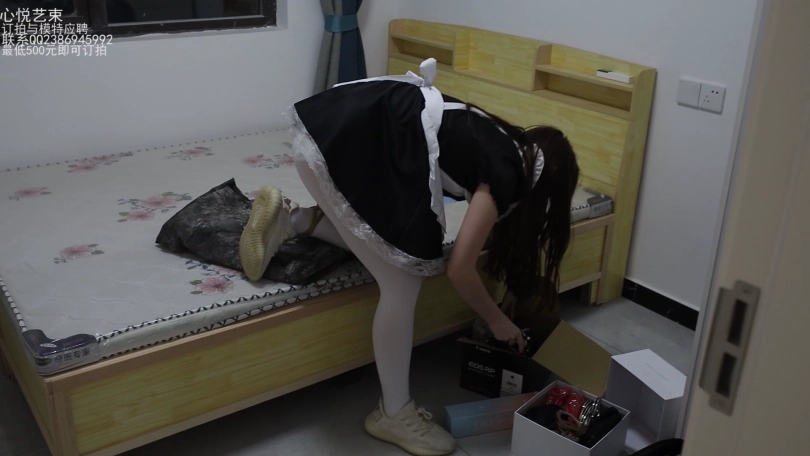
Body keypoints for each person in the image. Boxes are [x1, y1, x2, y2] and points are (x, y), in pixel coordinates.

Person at [238, 58, 580, 456]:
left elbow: (477, 232)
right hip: (343, 150)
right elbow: (460, 269)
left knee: (397, 250)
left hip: (331, 134)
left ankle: (298, 220)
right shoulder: (511, 172)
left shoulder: (502, 138)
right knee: (403, 279)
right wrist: (496, 320)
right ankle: (393, 412)